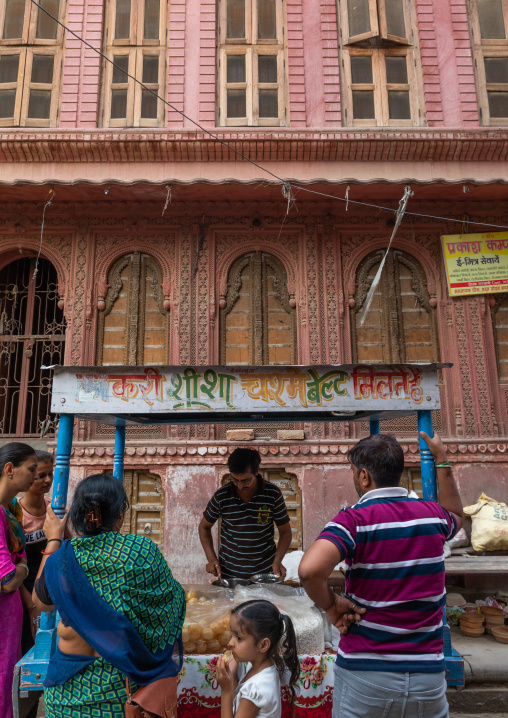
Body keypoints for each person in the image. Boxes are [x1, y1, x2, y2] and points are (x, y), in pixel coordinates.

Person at [299, 432, 463, 718]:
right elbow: (456, 515)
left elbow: (310, 571)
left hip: (367, 673)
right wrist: (442, 459)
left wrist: (331, 605)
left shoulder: (354, 520)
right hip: (428, 676)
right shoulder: (432, 516)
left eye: (353, 472)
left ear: (364, 477)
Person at [32, 473, 186, 718]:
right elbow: (172, 600)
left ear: (78, 515)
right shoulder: (141, 550)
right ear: (121, 515)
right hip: (122, 696)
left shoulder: (62, 558)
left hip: (65, 697)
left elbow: (41, 603)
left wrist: (53, 540)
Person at [198, 448, 292, 581]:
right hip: (229, 575)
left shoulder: (272, 494)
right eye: (235, 480)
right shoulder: (222, 495)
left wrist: (277, 561)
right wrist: (211, 558)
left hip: (263, 574)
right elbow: (203, 527)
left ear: (256, 472)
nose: (240, 486)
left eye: (246, 481)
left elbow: (286, 532)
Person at [13, 449, 54, 718]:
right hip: (21, 593)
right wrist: (30, 602)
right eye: (41, 475)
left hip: (46, 595)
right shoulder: (16, 514)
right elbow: (13, 566)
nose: (48, 479)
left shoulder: (53, 508)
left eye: (52, 474)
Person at [0, 442, 38, 718]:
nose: (36, 477)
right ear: (10, 469)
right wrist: (23, 566)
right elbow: (9, 579)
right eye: (32, 469)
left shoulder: (9, 511)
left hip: (11, 618)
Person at [216, 599, 300, 718]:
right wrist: (233, 676)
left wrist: (225, 690)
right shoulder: (258, 665)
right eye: (232, 634)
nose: (230, 643)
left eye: (239, 638)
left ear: (263, 645)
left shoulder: (256, 689)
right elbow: (238, 703)